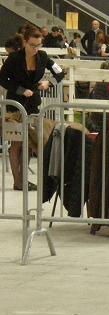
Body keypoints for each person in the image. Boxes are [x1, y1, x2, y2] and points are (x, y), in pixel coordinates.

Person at [0, 25, 65, 191]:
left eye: (38, 45)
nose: (35, 49)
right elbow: (2, 79)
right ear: (25, 43)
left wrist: (49, 83)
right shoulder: (14, 58)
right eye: (32, 45)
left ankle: (24, 179)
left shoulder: (43, 57)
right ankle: (17, 182)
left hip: (33, 105)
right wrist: (20, 90)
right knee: (16, 143)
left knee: (29, 143)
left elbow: (60, 73)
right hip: (14, 106)